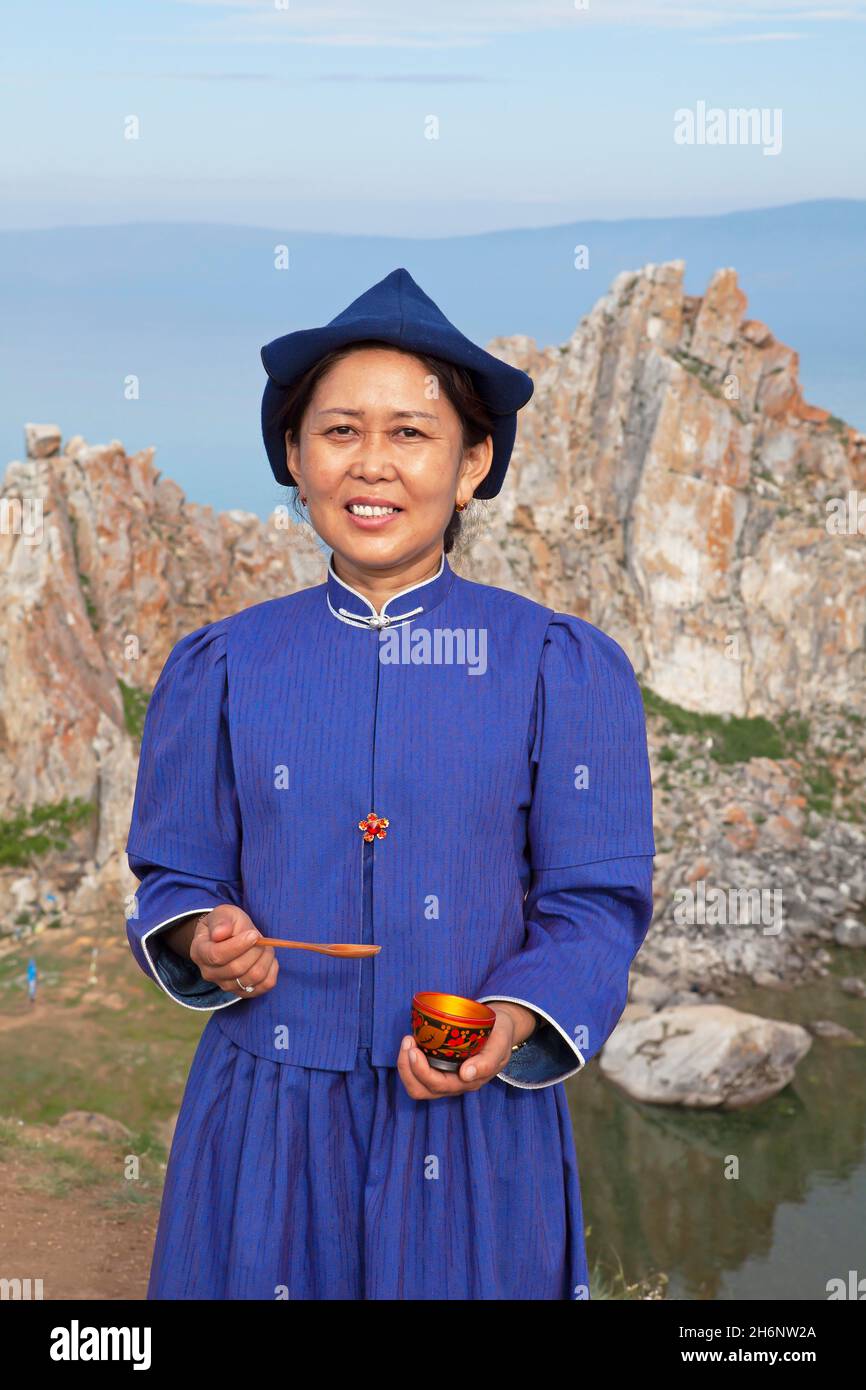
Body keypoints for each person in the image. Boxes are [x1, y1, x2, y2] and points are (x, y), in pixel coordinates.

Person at [124, 267, 656, 1300]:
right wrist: (201, 932)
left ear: (473, 463)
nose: (372, 466)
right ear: (292, 454)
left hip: (473, 1121)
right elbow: (173, 871)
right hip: (265, 1122)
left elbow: (593, 907)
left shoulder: (561, 665)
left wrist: (505, 1022)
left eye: (411, 433)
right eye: (338, 431)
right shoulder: (220, 665)